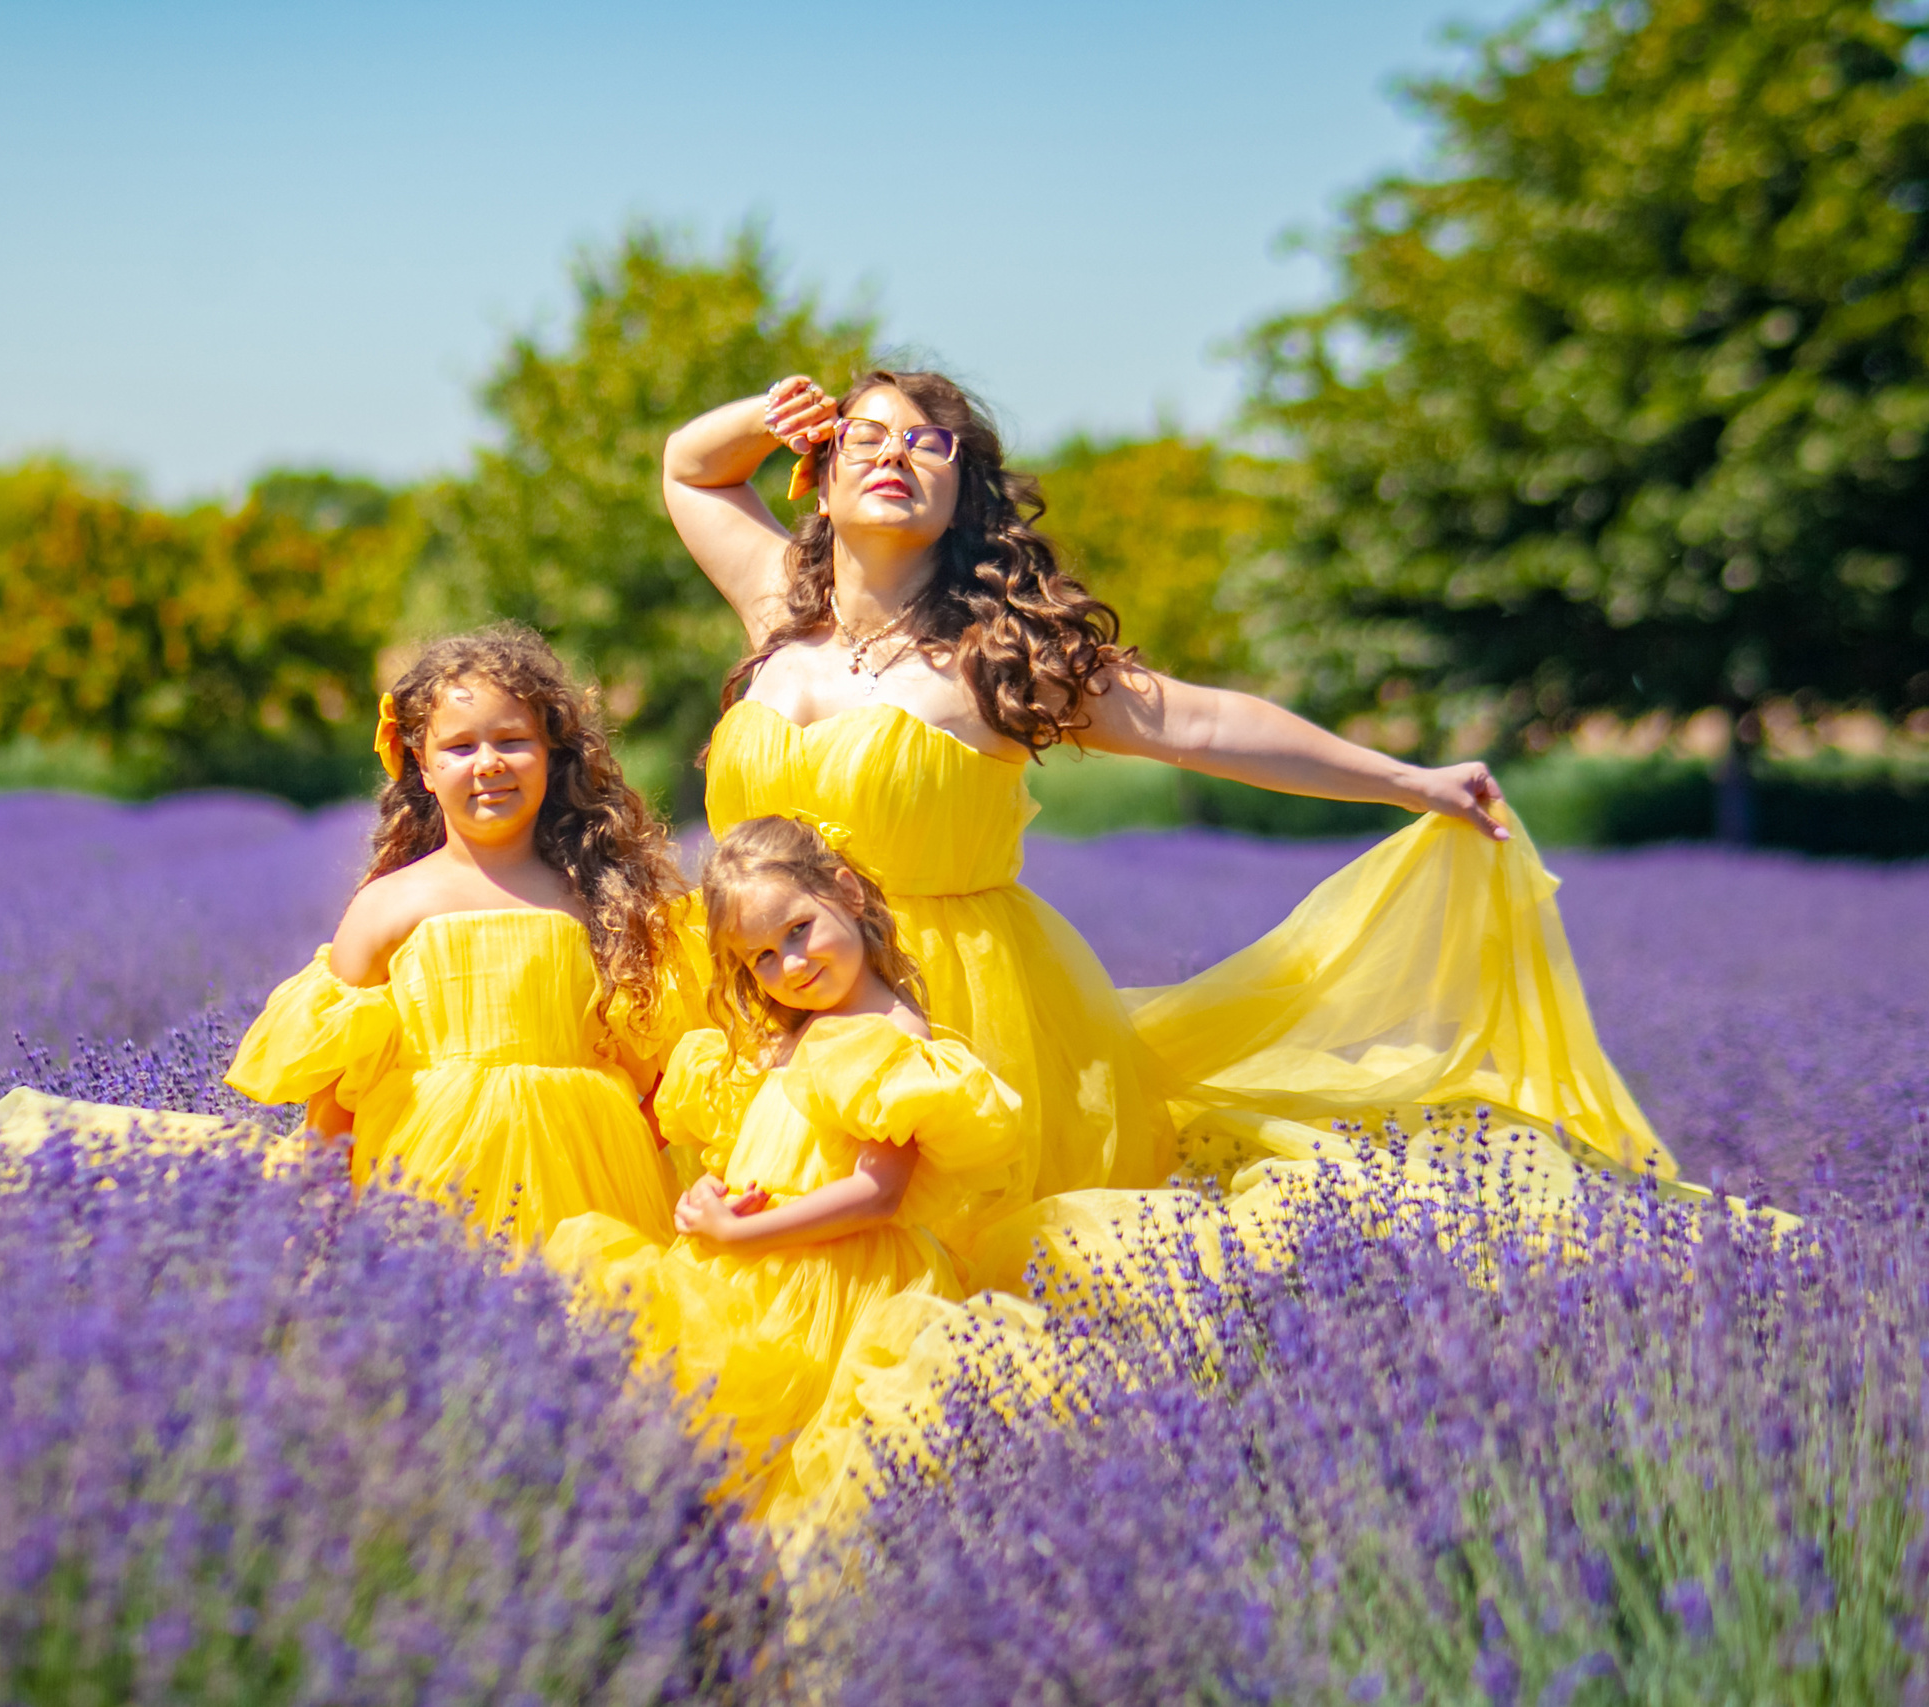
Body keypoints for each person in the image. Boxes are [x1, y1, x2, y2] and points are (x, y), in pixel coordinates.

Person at [658, 368, 1682, 1283]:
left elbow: (1204, 724)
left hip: (946, 1011)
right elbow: (691, 470)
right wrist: (766, 415)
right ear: (820, 475)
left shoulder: (999, 657)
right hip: (762, 992)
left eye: (930, 444)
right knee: (751, 1263)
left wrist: (1407, 780)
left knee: (929, 1280)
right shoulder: (776, 611)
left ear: (962, 495)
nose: (897, 454)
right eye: (868, 435)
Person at [545, 815, 1023, 1526]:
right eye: (763, 956)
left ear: (847, 892)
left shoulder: (888, 1036)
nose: (791, 965)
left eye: (799, 930)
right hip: (747, 1272)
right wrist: (712, 1195)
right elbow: (756, 1155)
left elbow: (877, 1194)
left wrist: (742, 1233)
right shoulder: (786, 1038)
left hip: (837, 1284)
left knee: (803, 1477)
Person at [222, 625, 692, 1249]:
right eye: (460, 746)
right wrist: (322, 1213)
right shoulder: (387, 906)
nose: (488, 763)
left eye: (513, 741)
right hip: (430, 1173)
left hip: (588, 1182)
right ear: (423, 765)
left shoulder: (600, 899)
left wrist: (611, 1143)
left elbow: (659, 1078)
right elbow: (336, 1093)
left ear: (551, 754)